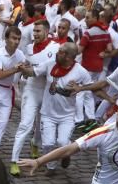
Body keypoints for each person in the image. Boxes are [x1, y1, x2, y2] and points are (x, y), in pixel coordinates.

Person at [22, 41, 90, 173]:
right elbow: (33, 72)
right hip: (47, 113)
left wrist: (81, 88)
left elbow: (92, 86)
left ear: (68, 57)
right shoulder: (49, 64)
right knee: (48, 144)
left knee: (62, 142)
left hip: (67, 115)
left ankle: (67, 151)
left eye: (60, 52)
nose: (56, 53)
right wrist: (22, 68)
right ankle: (51, 167)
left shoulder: (81, 72)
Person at [10, 19, 58, 174]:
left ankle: (35, 144)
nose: (35, 34)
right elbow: (24, 66)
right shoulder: (29, 48)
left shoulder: (55, 48)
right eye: (34, 31)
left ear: (46, 31)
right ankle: (14, 160)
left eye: (38, 31)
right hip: (31, 90)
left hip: (47, 91)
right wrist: (16, 82)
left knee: (41, 125)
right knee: (25, 124)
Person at [77, 8, 114, 132]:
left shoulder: (88, 33)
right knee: (89, 93)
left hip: (86, 67)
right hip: (98, 67)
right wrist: (103, 53)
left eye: (88, 17)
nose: (86, 20)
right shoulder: (105, 32)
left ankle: (80, 120)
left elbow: (79, 50)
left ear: (95, 18)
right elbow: (110, 48)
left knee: (81, 93)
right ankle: (90, 119)